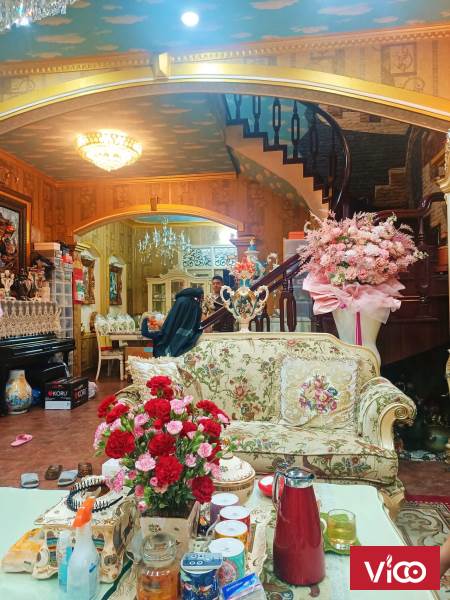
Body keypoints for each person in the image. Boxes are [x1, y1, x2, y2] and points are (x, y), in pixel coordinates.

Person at [141, 287, 203, 357]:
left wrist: (145, 318)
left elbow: (145, 333)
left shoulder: (168, 332)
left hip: (164, 359)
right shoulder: (193, 334)